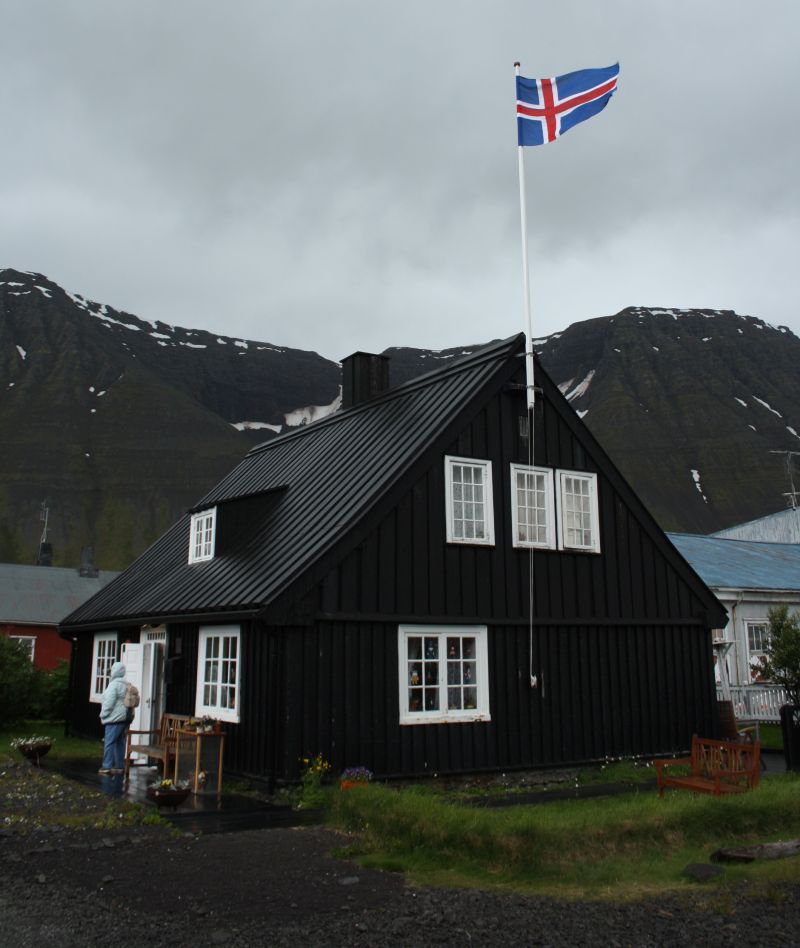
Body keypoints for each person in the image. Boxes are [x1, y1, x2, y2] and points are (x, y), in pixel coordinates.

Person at [99, 661, 130, 774]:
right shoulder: (126, 683)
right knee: (120, 741)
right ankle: (119, 765)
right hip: (125, 716)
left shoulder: (113, 685)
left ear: (114, 671)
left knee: (109, 741)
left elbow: (109, 702)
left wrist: (103, 714)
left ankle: (106, 766)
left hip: (114, 717)